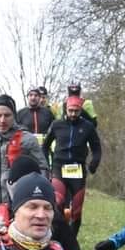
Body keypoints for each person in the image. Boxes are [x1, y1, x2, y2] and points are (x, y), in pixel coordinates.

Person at [44, 94, 102, 236]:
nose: (73, 114)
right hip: (59, 167)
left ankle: (71, 240)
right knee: (57, 202)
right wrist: (46, 164)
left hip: (78, 170)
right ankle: (56, 235)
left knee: (76, 210)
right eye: (70, 111)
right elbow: (44, 146)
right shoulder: (57, 125)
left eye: (76, 111)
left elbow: (97, 148)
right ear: (66, 110)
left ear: (81, 111)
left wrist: (94, 163)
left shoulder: (87, 127)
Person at [0, 94, 47, 204]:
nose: (2, 120)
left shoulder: (28, 140)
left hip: (18, 203)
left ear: (14, 116)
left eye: (7, 115)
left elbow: (42, 169)